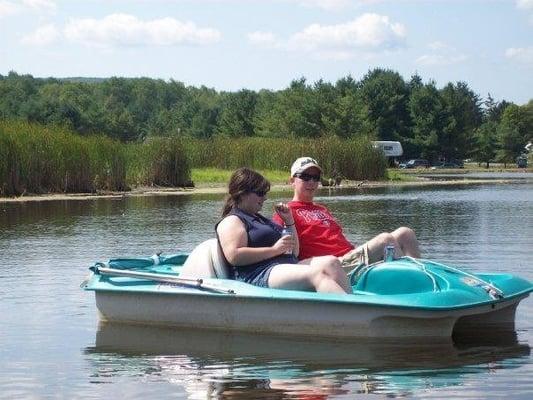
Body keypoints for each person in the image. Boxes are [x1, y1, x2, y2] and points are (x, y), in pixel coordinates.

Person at [216, 167, 351, 294]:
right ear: (243, 193)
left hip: (283, 265)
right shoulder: (232, 220)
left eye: (265, 193)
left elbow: (295, 252)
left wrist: (289, 220)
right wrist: (275, 250)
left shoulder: (260, 219)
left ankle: (355, 303)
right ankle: (351, 314)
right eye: (260, 193)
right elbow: (234, 256)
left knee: (332, 262)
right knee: (317, 275)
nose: (265, 198)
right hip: (259, 273)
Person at [272, 157, 421, 267]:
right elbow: (287, 253)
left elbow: (336, 238)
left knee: (406, 233)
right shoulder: (286, 212)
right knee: (385, 240)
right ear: (292, 181)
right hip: (331, 264)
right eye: (305, 177)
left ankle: (423, 279)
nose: (311, 182)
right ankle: (412, 284)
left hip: (349, 257)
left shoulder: (322, 209)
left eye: (315, 178)